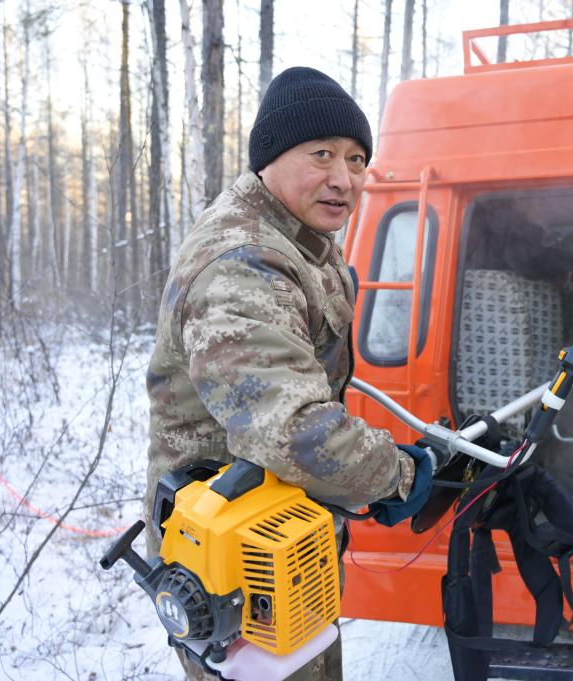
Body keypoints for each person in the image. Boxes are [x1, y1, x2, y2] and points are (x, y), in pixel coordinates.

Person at [144, 66, 437, 681]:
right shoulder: (243, 263)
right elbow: (296, 431)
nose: (344, 178)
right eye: (322, 154)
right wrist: (402, 475)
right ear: (271, 158)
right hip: (230, 561)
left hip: (281, 536)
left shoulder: (303, 240)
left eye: (357, 160)